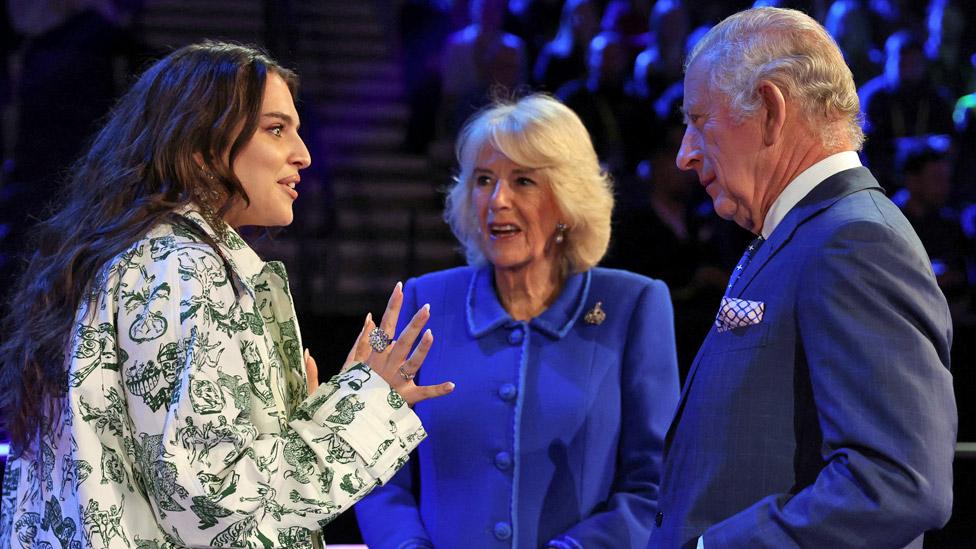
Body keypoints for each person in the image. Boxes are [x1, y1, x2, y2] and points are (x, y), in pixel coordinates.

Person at [0, 41, 454, 548]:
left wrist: (311, 415)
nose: (303, 154)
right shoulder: (182, 271)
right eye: (276, 129)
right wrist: (365, 405)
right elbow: (213, 506)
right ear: (201, 148)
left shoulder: (139, 257)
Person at [651, 7, 957, 548]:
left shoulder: (855, 242)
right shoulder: (809, 233)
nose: (684, 155)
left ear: (769, 108)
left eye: (698, 121)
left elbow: (896, 483)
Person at [356, 94, 680, 548]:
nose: (497, 200)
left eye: (523, 181)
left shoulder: (634, 305)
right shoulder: (424, 301)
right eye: (484, 180)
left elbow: (656, 486)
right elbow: (377, 472)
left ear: (567, 203)